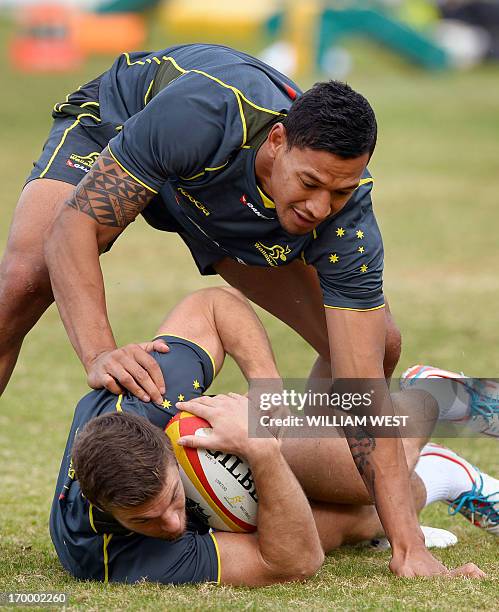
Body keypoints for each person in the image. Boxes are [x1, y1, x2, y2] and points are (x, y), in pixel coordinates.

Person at [0, 42, 448, 575]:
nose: (318, 207)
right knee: (24, 281)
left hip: (218, 197)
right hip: (125, 126)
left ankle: (327, 476)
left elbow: (361, 387)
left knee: (376, 348)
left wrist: (410, 548)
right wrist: (99, 351)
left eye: (340, 190)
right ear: (277, 141)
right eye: (309, 183)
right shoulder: (205, 114)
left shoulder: (345, 222)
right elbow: (71, 228)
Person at [51, 287, 492, 584]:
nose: (172, 524)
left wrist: (265, 401)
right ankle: (449, 478)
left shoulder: (149, 390)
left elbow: (213, 304)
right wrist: (259, 453)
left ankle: (431, 394)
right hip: (248, 446)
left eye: (170, 500)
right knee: (337, 524)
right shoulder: (108, 552)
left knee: (366, 475)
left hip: (223, 425)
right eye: (143, 520)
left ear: (167, 450)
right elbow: (295, 562)